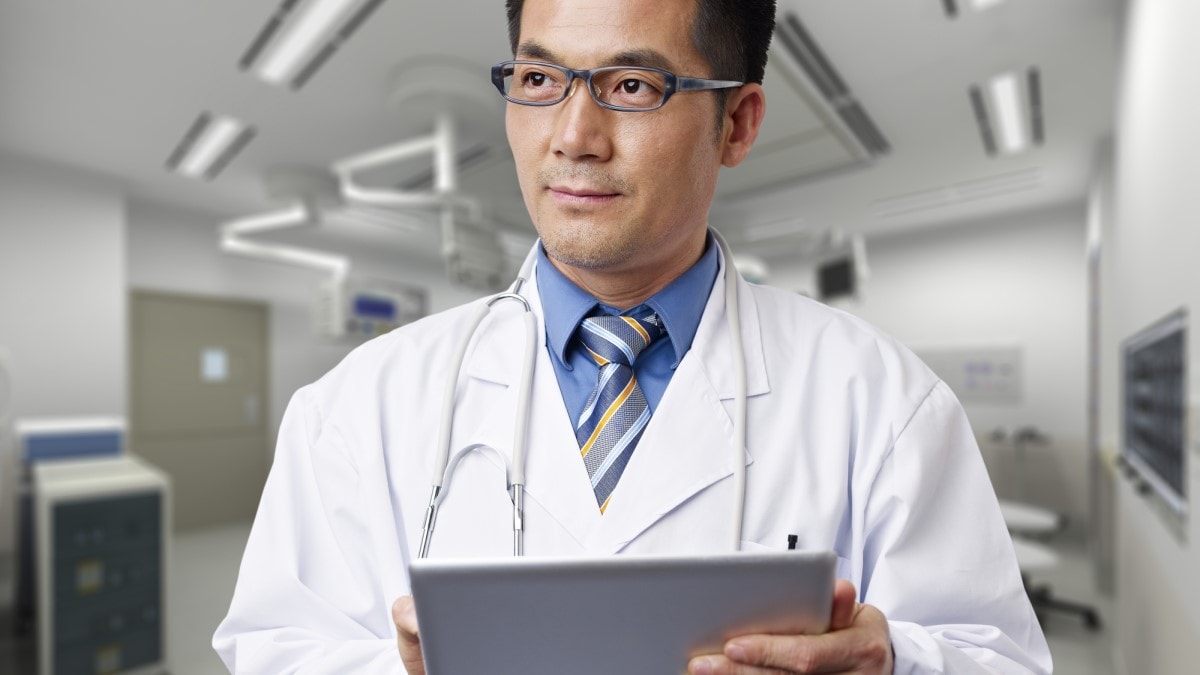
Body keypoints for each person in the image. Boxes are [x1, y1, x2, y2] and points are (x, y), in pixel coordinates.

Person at [214, 0, 1053, 672]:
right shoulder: (357, 404)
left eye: (632, 87)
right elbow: (273, 648)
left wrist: (895, 664)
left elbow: (1001, 656)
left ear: (738, 124)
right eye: (540, 78)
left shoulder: (882, 400)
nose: (573, 136)